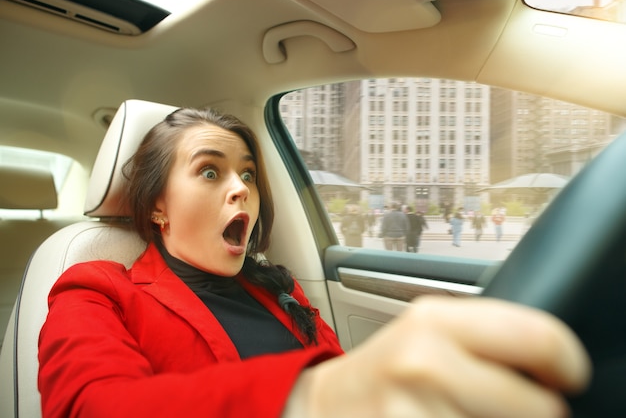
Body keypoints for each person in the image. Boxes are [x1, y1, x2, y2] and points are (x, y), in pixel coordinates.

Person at [38, 107, 590, 418]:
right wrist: (317, 398)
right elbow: (93, 406)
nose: (241, 191)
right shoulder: (94, 287)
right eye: (210, 172)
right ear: (158, 204)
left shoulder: (278, 288)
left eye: (248, 174)